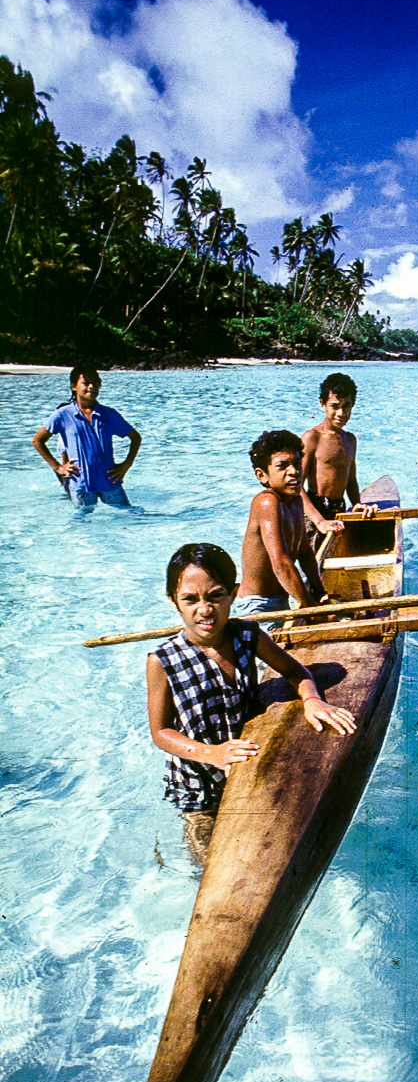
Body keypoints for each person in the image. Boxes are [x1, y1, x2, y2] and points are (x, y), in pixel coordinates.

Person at [147, 542, 355, 863]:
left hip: (247, 763)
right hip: (197, 783)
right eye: (190, 599)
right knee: (207, 862)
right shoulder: (163, 660)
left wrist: (312, 698)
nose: (204, 609)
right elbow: (160, 732)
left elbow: (294, 670)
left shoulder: (247, 635)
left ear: (233, 593)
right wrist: (212, 754)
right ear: (174, 602)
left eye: (215, 596)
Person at [235, 430, 332, 619]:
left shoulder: (295, 500)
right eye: (282, 466)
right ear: (262, 475)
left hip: (281, 597)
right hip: (257, 606)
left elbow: (304, 551)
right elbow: (281, 564)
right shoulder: (267, 502)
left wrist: (321, 593)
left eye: (297, 464)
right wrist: (311, 610)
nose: (294, 471)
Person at [31, 364, 142, 510]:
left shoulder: (109, 414)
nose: (91, 387)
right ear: (74, 386)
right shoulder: (62, 414)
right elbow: (37, 440)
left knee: (131, 516)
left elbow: (135, 437)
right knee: (82, 526)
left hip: (110, 482)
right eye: (86, 383)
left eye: (95, 384)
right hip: (81, 485)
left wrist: (126, 465)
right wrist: (58, 467)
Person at [301, 373, 377, 551]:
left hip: (340, 508)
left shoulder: (350, 440)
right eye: (334, 406)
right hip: (314, 510)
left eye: (346, 406)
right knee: (315, 562)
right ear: (323, 404)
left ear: (353, 404)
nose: (341, 413)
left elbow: (350, 480)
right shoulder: (312, 438)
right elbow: (296, 487)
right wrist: (319, 521)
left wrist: (357, 503)